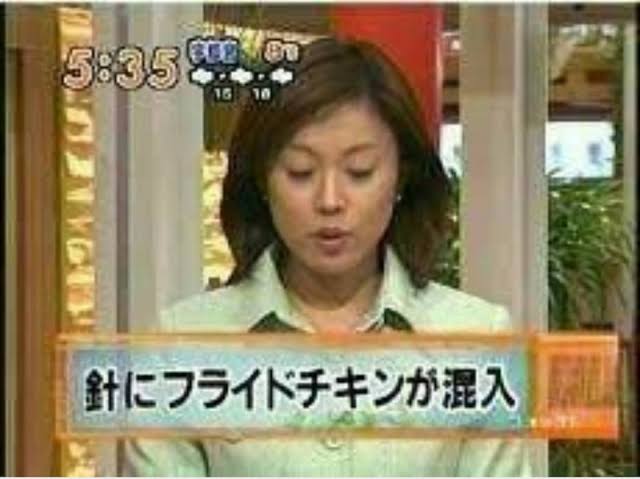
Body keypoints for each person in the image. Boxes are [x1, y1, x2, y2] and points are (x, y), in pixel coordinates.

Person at [125, 36, 531, 476]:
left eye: (360, 172)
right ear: (262, 180)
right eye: (300, 172)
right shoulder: (178, 345)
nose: (330, 200)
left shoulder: (479, 340)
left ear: (401, 177)